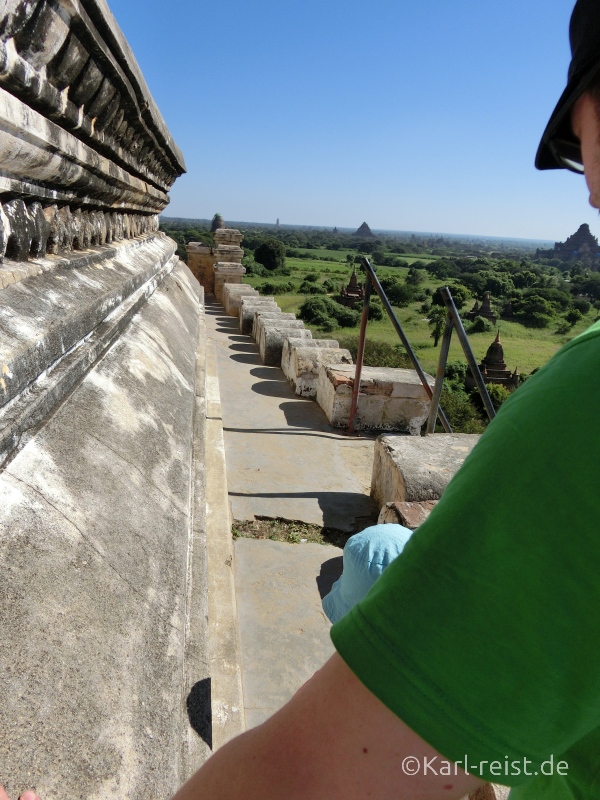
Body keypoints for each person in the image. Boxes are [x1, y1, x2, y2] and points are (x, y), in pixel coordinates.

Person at [3, 1, 600, 799]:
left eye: (573, 147)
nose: (587, 186)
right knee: (373, 554)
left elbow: (306, 781)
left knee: (367, 570)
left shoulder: (583, 413)